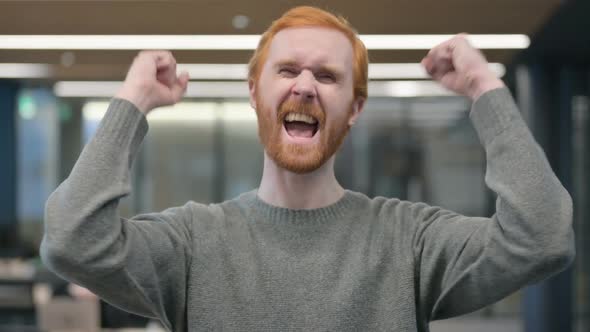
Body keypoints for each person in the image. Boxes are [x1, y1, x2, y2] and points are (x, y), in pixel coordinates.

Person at [41, 5, 575, 332]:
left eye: (327, 75)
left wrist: (484, 88)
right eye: (288, 70)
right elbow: (73, 241)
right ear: (255, 93)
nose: (304, 86)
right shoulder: (193, 243)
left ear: (355, 107)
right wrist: (133, 98)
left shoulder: (408, 240)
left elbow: (543, 237)